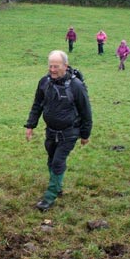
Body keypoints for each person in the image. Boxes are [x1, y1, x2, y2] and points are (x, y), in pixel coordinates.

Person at [24, 50, 92, 211]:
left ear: (65, 66)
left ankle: (50, 196)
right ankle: (58, 185)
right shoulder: (44, 82)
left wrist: (85, 134)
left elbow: (86, 111)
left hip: (70, 132)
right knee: (51, 159)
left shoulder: (76, 86)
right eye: (50, 66)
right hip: (51, 131)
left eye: (56, 66)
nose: (52, 70)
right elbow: (37, 105)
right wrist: (30, 125)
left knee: (57, 162)